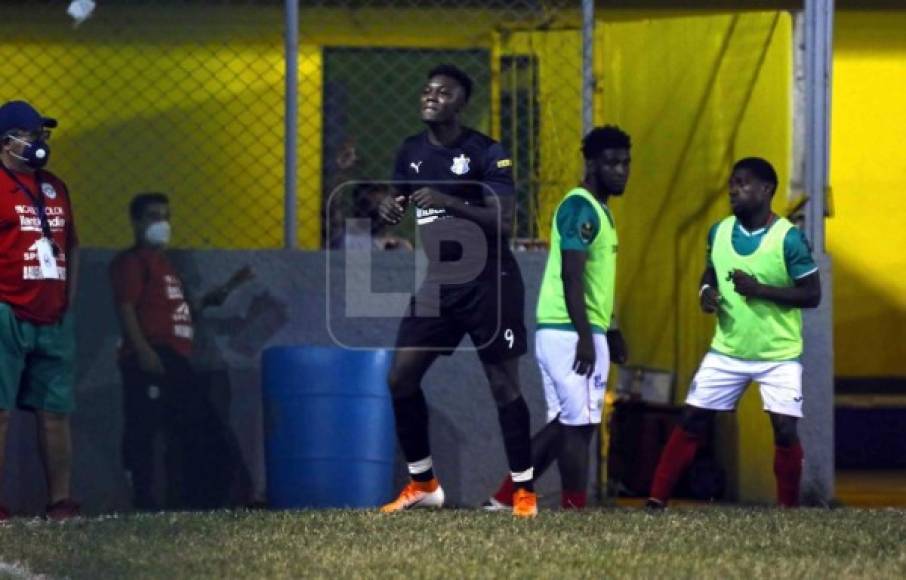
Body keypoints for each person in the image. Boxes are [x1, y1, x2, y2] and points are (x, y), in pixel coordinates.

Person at [377, 64, 537, 517]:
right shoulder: (410, 151)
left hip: (490, 281)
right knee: (400, 378)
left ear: (460, 103)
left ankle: (523, 492)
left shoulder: (487, 152)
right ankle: (423, 483)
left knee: (503, 384)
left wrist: (450, 201)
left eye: (443, 92)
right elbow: (400, 200)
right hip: (440, 284)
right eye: (427, 90)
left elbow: (504, 221)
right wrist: (391, 208)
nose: (431, 97)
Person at [646, 157, 821, 509]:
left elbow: (812, 294)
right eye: (732, 184)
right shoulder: (720, 231)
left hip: (779, 354)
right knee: (693, 419)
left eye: (742, 184)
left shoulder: (788, 239)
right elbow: (710, 272)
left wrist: (760, 290)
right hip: (727, 351)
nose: (733, 191)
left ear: (766, 189)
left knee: (785, 429)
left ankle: (789, 512)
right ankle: (655, 501)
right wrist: (704, 293)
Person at [484, 126, 631, 511]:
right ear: (592, 164)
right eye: (612, 163)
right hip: (570, 330)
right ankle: (573, 509)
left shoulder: (600, 211)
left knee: (567, 424)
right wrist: (585, 336)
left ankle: (504, 498)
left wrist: (610, 329)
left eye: (626, 163)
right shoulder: (579, 207)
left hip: (579, 328)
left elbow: (597, 279)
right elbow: (572, 274)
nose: (621, 170)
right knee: (579, 428)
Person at [110, 192, 253, 510]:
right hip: (155, 356)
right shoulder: (132, 262)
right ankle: (144, 500)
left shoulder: (166, 266)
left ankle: (188, 499)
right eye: (152, 216)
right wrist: (143, 350)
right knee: (144, 432)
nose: (161, 223)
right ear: (136, 222)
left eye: (165, 216)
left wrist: (223, 292)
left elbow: (181, 309)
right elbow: (127, 308)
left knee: (186, 431)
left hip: (176, 357)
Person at [0, 100, 80, 520]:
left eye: (42, 135)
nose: (39, 142)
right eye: (31, 134)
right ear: (7, 141)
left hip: (53, 313)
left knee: (55, 412)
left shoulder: (55, 186)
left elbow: (73, 245)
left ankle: (60, 501)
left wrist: (69, 297)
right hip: (6, 309)